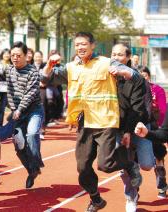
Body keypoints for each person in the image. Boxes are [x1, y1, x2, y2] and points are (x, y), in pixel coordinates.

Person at [42, 32, 142, 212]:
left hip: (105, 122)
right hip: (84, 122)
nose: (80, 47)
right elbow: (44, 79)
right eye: (77, 44)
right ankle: (96, 199)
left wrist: (122, 72)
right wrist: (49, 65)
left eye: (84, 44)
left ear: (92, 45)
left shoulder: (106, 62)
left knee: (105, 165)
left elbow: (135, 77)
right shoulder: (71, 67)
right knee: (82, 168)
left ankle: (129, 164)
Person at [111, 43, 154, 212]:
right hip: (118, 126)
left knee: (146, 165)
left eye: (120, 55)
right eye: (113, 54)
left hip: (139, 124)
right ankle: (131, 196)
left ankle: (135, 161)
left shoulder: (137, 78)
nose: (116, 58)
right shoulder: (108, 77)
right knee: (121, 163)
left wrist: (131, 130)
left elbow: (142, 108)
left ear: (128, 57)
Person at [1, 41, 44, 189]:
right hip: (17, 114)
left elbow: (30, 94)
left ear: (27, 56)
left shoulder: (33, 72)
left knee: (32, 134)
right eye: (12, 55)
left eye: (18, 55)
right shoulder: (8, 70)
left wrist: (19, 109)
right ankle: (32, 171)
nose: (15, 58)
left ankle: (37, 162)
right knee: (19, 147)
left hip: (33, 111)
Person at [139, 66, 168, 199]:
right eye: (139, 75)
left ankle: (162, 185)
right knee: (133, 160)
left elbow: (163, 110)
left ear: (148, 76)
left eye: (144, 75)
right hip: (138, 129)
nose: (142, 78)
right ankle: (134, 191)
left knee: (158, 158)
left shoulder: (157, 90)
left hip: (156, 127)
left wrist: (162, 129)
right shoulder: (133, 90)